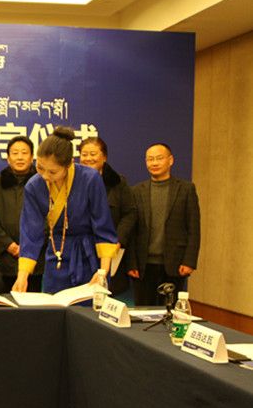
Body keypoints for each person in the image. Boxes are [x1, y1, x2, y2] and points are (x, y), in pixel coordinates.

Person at [13, 126, 118, 294]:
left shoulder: (90, 179)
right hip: (56, 254)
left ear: (69, 165)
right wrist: (22, 276)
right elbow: (30, 232)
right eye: (40, 168)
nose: (45, 176)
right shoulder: (34, 186)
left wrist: (102, 272)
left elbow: (103, 227)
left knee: (88, 305)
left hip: (88, 256)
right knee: (54, 304)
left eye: (52, 171)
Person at [128, 143, 200, 305]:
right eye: (150, 159)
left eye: (159, 158)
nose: (154, 163)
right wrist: (131, 263)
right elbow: (132, 231)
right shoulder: (136, 191)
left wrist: (189, 261)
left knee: (170, 312)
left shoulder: (186, 189)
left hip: (175, 264)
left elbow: (194, 228)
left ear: (170, 160)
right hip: (143, 266)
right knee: (143, 312)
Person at [78, 136, 137, 297]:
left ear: (104, 157)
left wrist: (117, 240)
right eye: (84, 154)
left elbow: (130, 213)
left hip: (111, 249)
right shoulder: (73, 182)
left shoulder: (118, 182)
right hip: (81, 250)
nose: (88, 158)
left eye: (93, 154)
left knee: (106, 293)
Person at [0, 136, 43, 292]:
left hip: (36, 259)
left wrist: (29, 245)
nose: (20, 157)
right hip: (3, 259)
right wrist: (8, 245)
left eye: (24, 153)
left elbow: (50, 218)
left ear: (32, 157)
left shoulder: (43, 182)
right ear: (8, 158)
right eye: (15, 153)